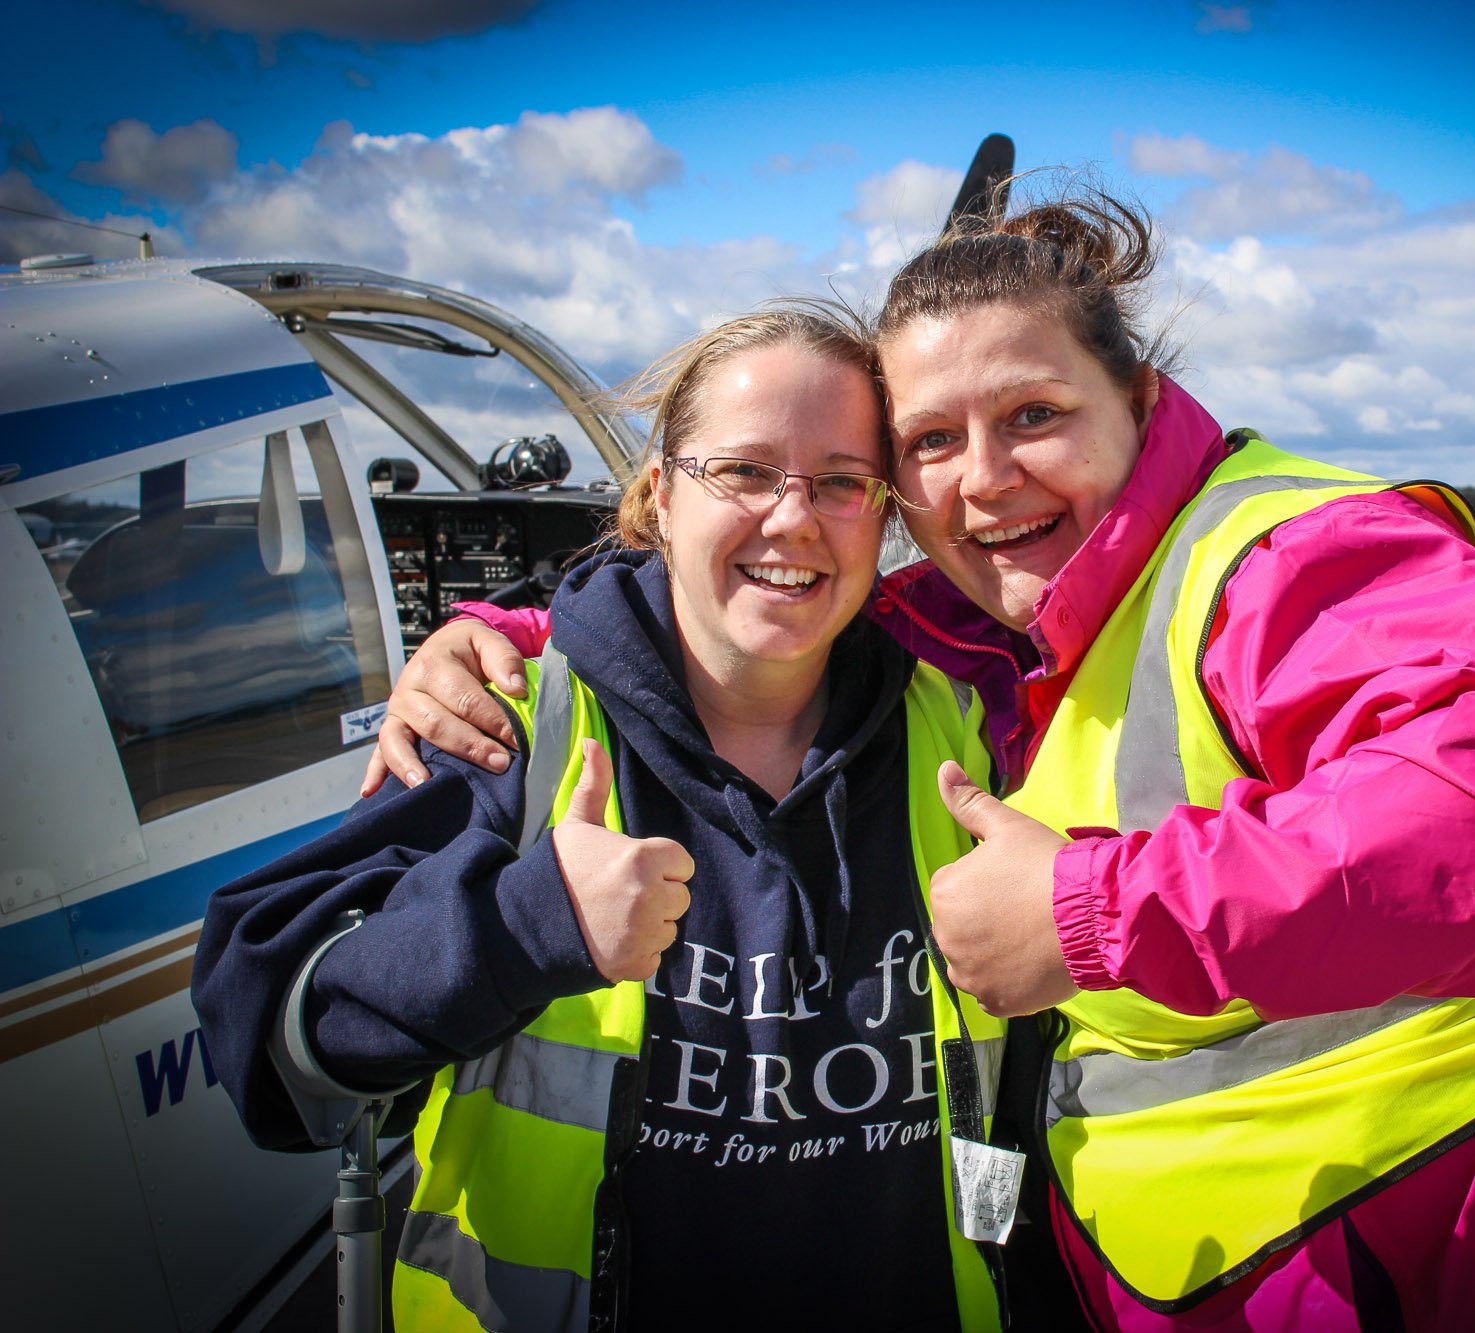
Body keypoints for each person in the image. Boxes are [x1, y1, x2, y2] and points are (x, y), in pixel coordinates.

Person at [381, 189, 1475, 1331]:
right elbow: (753, 608)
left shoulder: (1293, 554)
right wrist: (512, 636)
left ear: (1137, 400)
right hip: (1259, 1269)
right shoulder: (1003, 613)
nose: (982, 480)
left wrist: (1090, 915)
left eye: (1033, 416)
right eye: (931, 442)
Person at [193, 305, 1077, 1332]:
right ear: (660, 495)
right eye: (743, 472)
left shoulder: (958, 733)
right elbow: (264, 1040)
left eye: (839, 482)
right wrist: (524, 929)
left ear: (880, 514)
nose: (792, 520)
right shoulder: (509, 724)